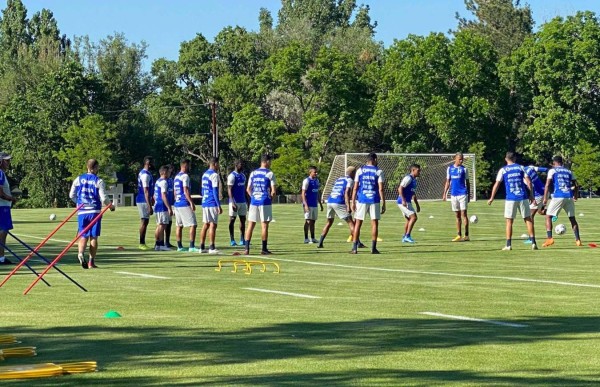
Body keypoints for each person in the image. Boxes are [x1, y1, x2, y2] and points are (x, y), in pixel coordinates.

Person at [69, 159, 115, 269]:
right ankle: (91, 262)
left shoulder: (78, 179)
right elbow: (104, 198)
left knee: (83, 235)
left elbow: (71, 195)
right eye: (97, 168)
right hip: (94, 211)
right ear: (94, 168)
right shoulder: (98, 181)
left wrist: (79, 203)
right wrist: (111, 206)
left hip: (82, 211)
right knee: (94, 237)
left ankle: (80, 253)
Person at [487, 152, 537, 251]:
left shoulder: (503, 170)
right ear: (514, 158)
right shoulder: (521, 167)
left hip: (511, 198)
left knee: (509, 221)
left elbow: (497, 184)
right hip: (522, 196)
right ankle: (533, 242)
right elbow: (529, 182)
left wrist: (492, 197)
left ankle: (508, 245)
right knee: (528, 219)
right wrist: (531, 195)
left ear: (506, 159)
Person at [317, 166, 365, 249]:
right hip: (338, 202)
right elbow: (346, 193)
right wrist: (348, 206)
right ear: (353, 173)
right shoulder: (350, 180)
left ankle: (320, 242)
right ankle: (357, 243)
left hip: (330, 201)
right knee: (351, 223)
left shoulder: (339, 179)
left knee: (329, 222)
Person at [542, 156, 582, 247]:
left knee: (548, 216)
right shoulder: (569, 171)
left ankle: (549, 239)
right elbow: (576, 185)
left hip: (558, 196)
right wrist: (575, 195)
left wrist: (545, 198)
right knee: (572, 218)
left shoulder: (552, 171)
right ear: (562, 162)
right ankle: (578, 240)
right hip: (568, 196)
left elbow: (547, 185)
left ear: (554, 163)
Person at [351, 152, 386, 254]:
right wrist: (383, 202)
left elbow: (355, 187)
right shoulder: (379, 171)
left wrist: (353, 201)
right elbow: (381, 189)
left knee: (358, 223)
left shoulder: (360, 170)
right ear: (374, 159)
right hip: (374, 199)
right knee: (374, 223)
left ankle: (354, 248)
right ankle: (373, 248)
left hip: (361, 199)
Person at [244, 154, 276, 255]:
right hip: (264, 201)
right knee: (264, 225)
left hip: (254, 201)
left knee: (250, 225)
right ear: (266, 162)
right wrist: (271, 199)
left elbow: (248, 189)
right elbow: (273, 191)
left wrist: (253, 196)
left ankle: (246, 249)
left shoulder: (253, 173)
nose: (270, 163)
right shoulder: (269, 173)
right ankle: (264, 249)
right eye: (270, 161)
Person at [443, 152, 471, 242]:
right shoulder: (450, 169)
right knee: (457, 215)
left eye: (462, 159)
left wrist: (469, 195)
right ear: (455, 159)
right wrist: (444, 194)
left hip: (463, 194)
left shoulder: (464, 169)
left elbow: (468, 183)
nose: (461, 160)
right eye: (460, 159)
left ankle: (466, 235)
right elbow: (448, 181)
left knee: (464, 214)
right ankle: (459, 235)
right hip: (453, 194)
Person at [173, 159, 198, 252]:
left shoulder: (176, 177)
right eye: (188, 165)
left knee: (179, 225)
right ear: (185, 165)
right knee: (193, 224)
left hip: (177, 203)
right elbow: (186, 190)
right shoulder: (185, 176)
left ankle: (179, 246)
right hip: (184, 203)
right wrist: (191, 202)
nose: (189, 167)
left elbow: (175, 192)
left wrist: (175, 202)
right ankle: (192, 246)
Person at [198, 157, 222, 254]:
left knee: (206, 224)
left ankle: (201, 246)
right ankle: (212, 247)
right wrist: (218, 205)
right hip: (211, 201)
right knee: (213, 224)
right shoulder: (214, 175)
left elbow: (203, 190)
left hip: (205, 201)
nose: (218, 166)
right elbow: (215, 191)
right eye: (218, 164)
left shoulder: (204, 174)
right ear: (215, 164)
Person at [523, 165, 549, 244]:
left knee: (529, 216)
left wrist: (532, 197)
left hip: (538, 195)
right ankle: (552, 213)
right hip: (545, 191)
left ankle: (531, 238)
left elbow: (530, 184)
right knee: (540, 212)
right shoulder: (530, 167)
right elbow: (545, 169)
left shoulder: (523, 174)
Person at [0, 152, 17, 265]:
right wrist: (11, 198)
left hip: (3, 206)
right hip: (2, 207)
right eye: (6, 160)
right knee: (3, 231)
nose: (9, 163)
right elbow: (0, 192)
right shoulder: (0, 173)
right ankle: (1, 258)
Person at [398, 164, 421, 244]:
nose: (419, 172)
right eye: (418, 170)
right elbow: (400, 188)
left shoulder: (414, 180)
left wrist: (417, 205)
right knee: (414, 218)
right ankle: (407, 236)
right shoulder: (408, 178)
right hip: (403, 202)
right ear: (413, 170)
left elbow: (413, 193)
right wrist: (403, 200)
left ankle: (405, 237)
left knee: (409, 219)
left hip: (407, 201)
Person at [301, 166, 324, 243]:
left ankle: (313, 238)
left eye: (316, 172)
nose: (316, 173)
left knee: (313, 221)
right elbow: (303, 193)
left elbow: (317, 193)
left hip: (314, 204)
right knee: (308, 221)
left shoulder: (317, 181)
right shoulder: (306, 181)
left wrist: (320, 204)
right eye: (315, 172)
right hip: (308, 204)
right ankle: (306, 238)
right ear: (310, 172)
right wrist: (305, 205)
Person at [227, 160, 247, 247]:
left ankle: (242, 239)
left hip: (242, 201)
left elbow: (244, 190)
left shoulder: (243, 176)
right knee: (232, 220)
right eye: (240, 164)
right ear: (236, 165)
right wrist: (232, 202)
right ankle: (232, 239)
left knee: (243, 220)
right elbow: (229, 189)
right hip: (234, 202)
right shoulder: (232, 176)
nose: (242, 166)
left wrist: (248, 202)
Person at [153, 166, 173, 251]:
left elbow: (154, 195)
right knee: (162, 225)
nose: (169, 173)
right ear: (164, 172)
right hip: (162, 206)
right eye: (168, 172)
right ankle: (160, 244)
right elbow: (164, 195)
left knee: (159, 225)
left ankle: (157, 244)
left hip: (157, 205)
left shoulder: (158, 181)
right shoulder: (164, 182)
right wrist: (169, 207)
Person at [136, 156, 154, 250]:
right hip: (143, 200)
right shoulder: (145, 175)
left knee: (145, 221)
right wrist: (149, 205)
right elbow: (146, 191)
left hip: (144, 199)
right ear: (148, 163)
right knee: (144, 221)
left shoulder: (147, 173)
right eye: (152, 162)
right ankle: (141, 243)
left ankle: (142, 242)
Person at [164, 164, 175, 248]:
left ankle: (167, 241)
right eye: (170, 169)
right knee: (163, 224)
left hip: (171, 203)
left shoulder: (171, 180)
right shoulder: (164, 180)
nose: (171, 171)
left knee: (170, 223)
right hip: (165, 205)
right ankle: (160, 242)